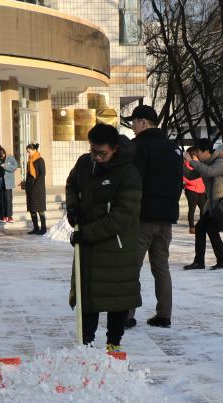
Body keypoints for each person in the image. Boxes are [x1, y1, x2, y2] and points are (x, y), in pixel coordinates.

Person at [66, 124, 142, 351]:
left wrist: (86, 234)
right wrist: (73, 208)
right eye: (93, 151)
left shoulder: (129, 174)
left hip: (116, 246)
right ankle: (86, 344)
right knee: (88, 295)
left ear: (115, 149)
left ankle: (113, 345)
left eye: (102, 153)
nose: (97, 157)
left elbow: (122, 217)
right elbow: (72, 184)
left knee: (116, 297)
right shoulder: (84, 164)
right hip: (88, 245)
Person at [122, 104, 182, 329]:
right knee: (161, 267)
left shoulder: (138, 147)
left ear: (143, 122)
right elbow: (178, 183)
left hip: (142, 217)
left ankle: (126, 315)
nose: (133, 127)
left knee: (131, 266)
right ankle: (164, 314)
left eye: (134, 122)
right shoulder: (173, 148)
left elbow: (132, 183)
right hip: (166, 217)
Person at [182, 139, 223, 270]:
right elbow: (191, 175)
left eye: (198, 151)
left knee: (211, 230)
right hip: (212, 204)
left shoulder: (220, 162)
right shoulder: (205, 163)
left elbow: (209, 172)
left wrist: (193, 161)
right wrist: (183, 162)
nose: (196, 154)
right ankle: (200, 262)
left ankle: (222, 262)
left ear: (205, 151)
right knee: (201, 228)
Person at [183, 146, 206, 235]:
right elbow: (185, 177)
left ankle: (201, 226)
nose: (197, 157)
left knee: (204, 209)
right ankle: (192, 227)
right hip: (191, 190)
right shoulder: (186, 164)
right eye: (195, 155)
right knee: (192, 209)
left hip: (201, 190)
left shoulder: (200, 164)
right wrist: (193, 182)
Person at [24, 142, 47, 234]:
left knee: (40, 209)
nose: (28, 154)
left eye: (29, 152)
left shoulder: (40, 160)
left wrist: (36, 186)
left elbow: (42, 174)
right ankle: (36, 228)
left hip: (38, 188)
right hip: (30, 187)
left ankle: (43, 228)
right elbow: (29, 174)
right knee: (32, 209)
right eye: (27, 152)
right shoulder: (30, 161)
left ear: (34, 150)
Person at [0, 145, 19, 222]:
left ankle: (9, 216)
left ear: (4, 152)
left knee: (8, 200)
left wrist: (5, 166)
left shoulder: (10, 158)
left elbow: (15, 167)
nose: (1, 155)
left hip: (8, 183)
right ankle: (2, 217)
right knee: (0, 200)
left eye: (2, 153)